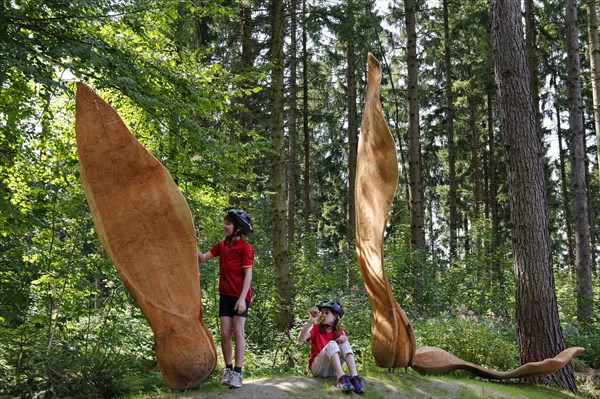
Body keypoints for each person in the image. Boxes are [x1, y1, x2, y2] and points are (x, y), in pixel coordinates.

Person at [198, 208, 254, 389]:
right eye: (225, 222)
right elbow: (203, 258)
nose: (225, 226)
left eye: (228, 223)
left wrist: (242, 298)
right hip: (225, 295)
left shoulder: (245, 249)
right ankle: (228, 369)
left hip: (240, 296)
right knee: (224, 333)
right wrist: (191, 242)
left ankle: (238, 372)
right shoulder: (222, 246)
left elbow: (248, 275)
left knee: (238, 332)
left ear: (238, 228)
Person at [297, 299, 366, 394]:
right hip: (318, 369)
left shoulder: (340, 331)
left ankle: (355, 377)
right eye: (322, 313)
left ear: (335, 317)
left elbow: (345, 349)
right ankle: (341, 378)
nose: (323, 315)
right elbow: (300, 339)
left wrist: (343, 338)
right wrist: (310, 321)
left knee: (344, 341)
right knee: (332, 343)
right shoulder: (316, 328)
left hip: (332, 370)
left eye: (327, 313)